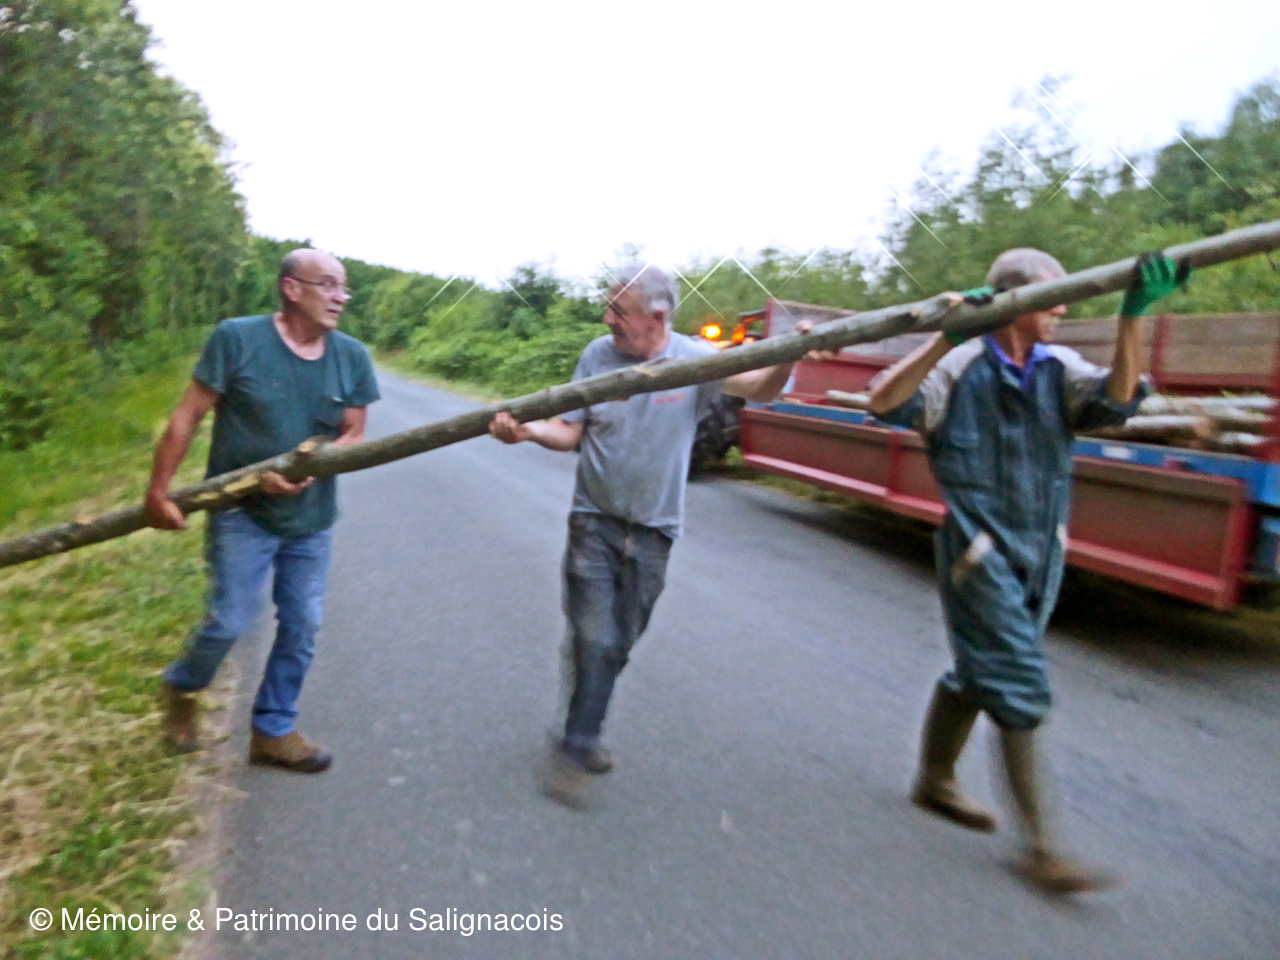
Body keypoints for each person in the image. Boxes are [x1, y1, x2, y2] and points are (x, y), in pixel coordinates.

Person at [867, 249, 1187, 892]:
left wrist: (1132, 318)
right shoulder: (959, 365)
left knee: (980, 668)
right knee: (1018, 680)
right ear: (1017, 302)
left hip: (1043, 551)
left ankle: (934, 780)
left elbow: (1117, 402)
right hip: (978, 551)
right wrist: (942, 338)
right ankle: (1044, 849)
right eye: (1052, 298)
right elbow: (884, 403)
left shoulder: (1057, 367)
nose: (1062, 309)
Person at [489, 263, 818, 802]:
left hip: (655, 529)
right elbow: (569, 430)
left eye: (619, 310)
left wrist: (789, 355)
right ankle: (578, 744)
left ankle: (581, 717)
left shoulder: (696, 360)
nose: (607, 318)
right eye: (609, 307)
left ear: (658, 316)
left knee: (617, 643)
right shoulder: (597, 356)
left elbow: (761, 390)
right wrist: (525, 431)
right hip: (594, 519)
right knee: (595, 637)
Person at [146, 248, 379, 773]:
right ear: (291, 288)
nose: (340, 297)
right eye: (328, 284)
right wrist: (158, 492)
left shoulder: (352, 357)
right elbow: (187, 416)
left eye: (344, 287)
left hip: (311, 519)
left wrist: (315, 464)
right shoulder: (237, 338)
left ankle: (273, 730)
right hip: (241, 512)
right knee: (229, 620)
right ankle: (182, 687)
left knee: (302, 625)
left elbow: (354, 433)